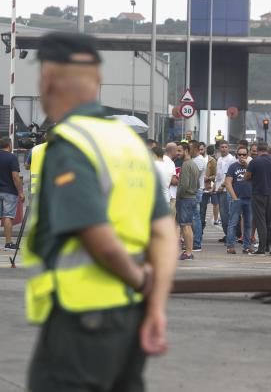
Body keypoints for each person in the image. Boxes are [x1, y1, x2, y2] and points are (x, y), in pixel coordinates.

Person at [25, 31, 177, 392]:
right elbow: (163, 233)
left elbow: (99, 239)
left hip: (82, 318)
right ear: (99, 81)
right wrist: (154, 305)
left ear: (47, 81)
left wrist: (138, 279)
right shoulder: (130, 144)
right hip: (132, 317)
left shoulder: (71, 145)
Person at [245, 141, 271, 255]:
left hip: (258, 193)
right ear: (267, 150)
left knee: (260, 221)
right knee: (270, 221)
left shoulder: (254, 162)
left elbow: (247, 177)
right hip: (270, 193)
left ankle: (262, 248)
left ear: (258, 150)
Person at [224, 148, 253, 254]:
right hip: (237, 198)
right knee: (233, 223)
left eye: (244, 154)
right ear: (236, 155)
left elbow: (255, 179)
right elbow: (227, 183)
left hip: (249, 199)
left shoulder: (250, 166)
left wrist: (247, 166)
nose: (241, 157)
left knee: (248, 224)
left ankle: (246, 246)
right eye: (239, 155)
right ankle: (230, 246)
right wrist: (234, 197)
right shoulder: (233, 167)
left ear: (247, 155)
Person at [176, 143, 200, 261]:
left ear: (186, 150)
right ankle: (189, 251)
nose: (177, 153)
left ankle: (188, 252)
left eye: (179, 150)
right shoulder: (194, 165)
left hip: (185, 198)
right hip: (192, 197)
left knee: (185, 226)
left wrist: (179, 195)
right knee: (188, 225)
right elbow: (198, 184)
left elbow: (184, 184)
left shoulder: (186, 165)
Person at [0, 136, 25, 250]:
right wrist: (21, 192)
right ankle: (8, 243)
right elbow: (15, 176)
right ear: (9, 145)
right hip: (9, 192)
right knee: (8, 217)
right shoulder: (12, 158)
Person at [214, 141, 236, 241]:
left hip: (226, 189)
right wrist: (215, 185)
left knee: (226, 213)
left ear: (228, 148)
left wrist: (222, 186)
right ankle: (227, 234)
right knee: (222, 214)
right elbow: (218, 175)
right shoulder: (219, 159)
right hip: (218, 189)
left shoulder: (231, 159)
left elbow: (229, 175)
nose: (223, 149)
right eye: (222, 147)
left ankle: (230, 235)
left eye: (225, 147)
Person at [190, 140, 207, 253]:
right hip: (193, 190)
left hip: (196, 190)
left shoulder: (200, 160)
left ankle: (197, 243)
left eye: (190, 148)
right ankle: (193, 241)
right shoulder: (193, 160)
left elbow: (195, 177)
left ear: (195, 149)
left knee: (196, 217)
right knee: (192, 217)